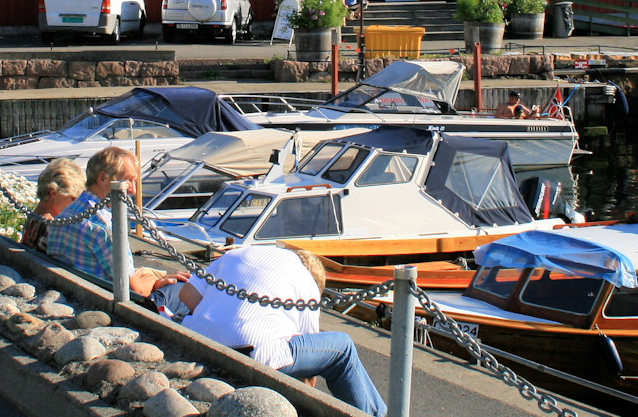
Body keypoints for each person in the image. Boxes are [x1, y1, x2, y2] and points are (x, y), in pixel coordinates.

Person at [177, 245, 387, 417]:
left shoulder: (237, 253)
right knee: (343, 349)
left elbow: (186, 294)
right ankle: (375, 415)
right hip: (253, 352)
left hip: (197, 338)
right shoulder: (306, 281)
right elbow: (311, 363)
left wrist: (220, 317)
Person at [46, 147, 185, 297]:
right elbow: (135, 290)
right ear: (103, 178)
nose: (133, 190)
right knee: (183, 287)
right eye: (128, 181)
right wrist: (156, 283)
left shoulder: (68, 212)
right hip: (103, 298)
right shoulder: (103, 227)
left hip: (72, 287)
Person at [20, 157, 86, 254]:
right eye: (72, 198)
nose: (75, 204)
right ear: (54, 193)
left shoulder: (34, 218)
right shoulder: (51, 228)